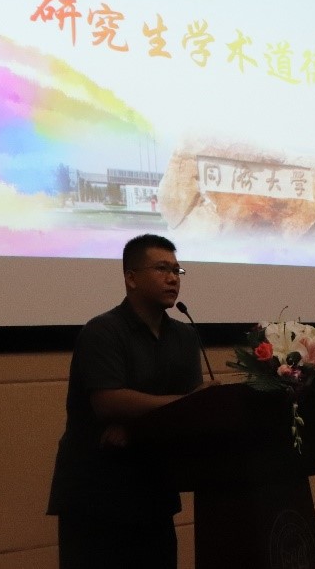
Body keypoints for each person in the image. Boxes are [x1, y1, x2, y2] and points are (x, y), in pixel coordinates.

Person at [46, 234, 204, 568]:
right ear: (131, 278)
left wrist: (135, 429)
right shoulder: (103, 331)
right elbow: (109, 401)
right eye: (162, 269)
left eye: (177, 270)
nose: (173, 278)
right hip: (97, 493)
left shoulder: (185, 336)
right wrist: (180, 405)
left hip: (153, 491)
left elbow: (192, 407)